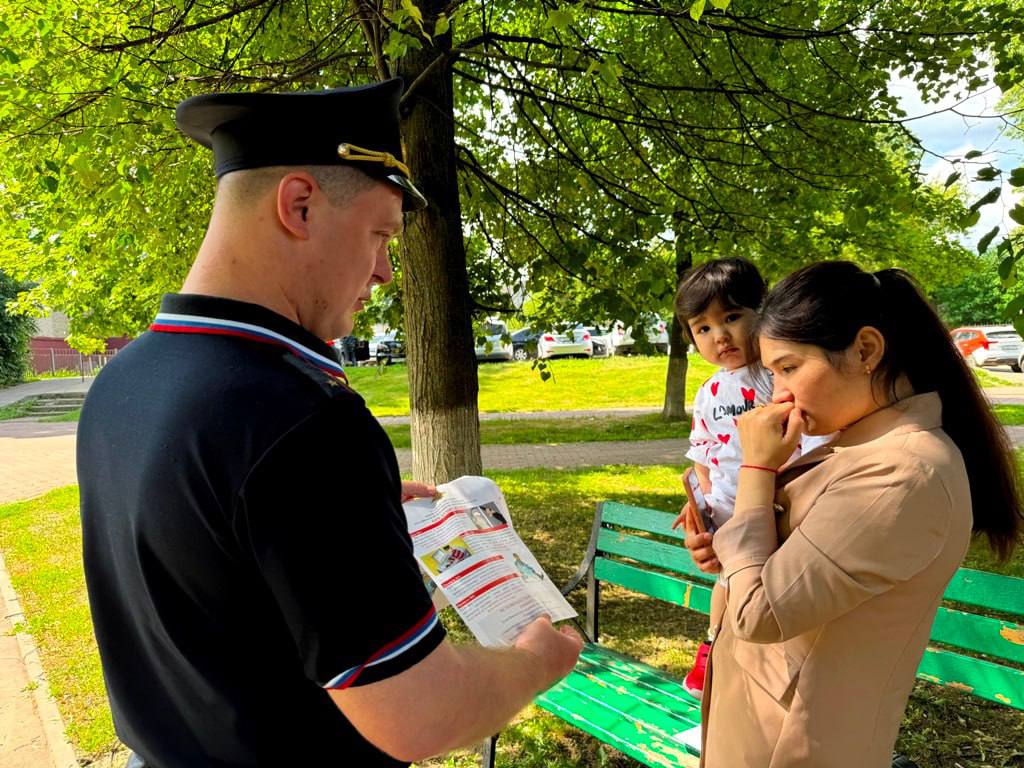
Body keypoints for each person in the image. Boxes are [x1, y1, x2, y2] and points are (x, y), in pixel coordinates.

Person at [77, 79, 582, 768]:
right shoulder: (301, 421)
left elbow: (206, 553)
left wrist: (350, 513)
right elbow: (419, 715)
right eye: (380, 236)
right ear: (300, 205)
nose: (382, 273)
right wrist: (536, 660)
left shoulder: (126, 377)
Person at [683, 261, 1022, 767]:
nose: (779, 394)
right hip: (757, 720)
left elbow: (760, 612)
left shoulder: (903, 474)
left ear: (865, 350)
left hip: (795, 745)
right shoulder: (858, 447)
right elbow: (785, 569)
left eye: (789, 368)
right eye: (772, 373)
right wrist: (727, 547)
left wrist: (755, 469)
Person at [670, 257, 829, 698]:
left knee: (760, 592)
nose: (719, 335)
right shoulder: (707, 393)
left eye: (732, 317)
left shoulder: (776, 375)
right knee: (725, 584)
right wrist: (699, 504)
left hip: (777, 505)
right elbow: (703, 455)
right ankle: (713, 651)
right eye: (702, 328)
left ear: (763, 313)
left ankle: (750, 668)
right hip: (727, 510)